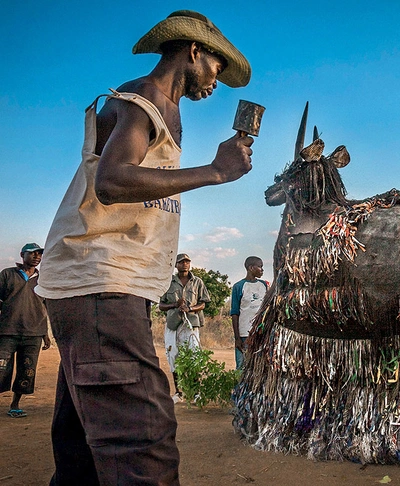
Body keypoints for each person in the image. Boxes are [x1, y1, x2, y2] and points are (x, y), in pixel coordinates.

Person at [35, 10, 253, 485]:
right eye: (217, 68)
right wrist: (215, 172)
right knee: (142, 440)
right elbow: (113, 180)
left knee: (84, 455)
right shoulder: (141, 101)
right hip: (101, 281)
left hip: (98, 288)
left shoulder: (160, 107)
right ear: (195, 51)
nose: (217, 82)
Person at [0, 243, 51, 418]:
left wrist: (46, 335)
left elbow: (45, 307)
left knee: (27, 370)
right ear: (22, 255)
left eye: (39, 254)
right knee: (1, 368)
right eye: (33, 253)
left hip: (34, 333)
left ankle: (15, 405)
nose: (37, 256)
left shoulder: (42, 279)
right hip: (7, 330)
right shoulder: (7, 274)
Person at [159, 253, 210, 402]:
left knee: (193, 356)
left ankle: (195, 392)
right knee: (173, 356)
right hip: (173, 325)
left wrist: (191, 309)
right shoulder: (168, 282)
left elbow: (203, 303)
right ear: (176, 265)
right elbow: (161, 305)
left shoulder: (197, 282)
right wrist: (175, 305)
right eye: (181, 262)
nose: (185, 264)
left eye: (187, 261)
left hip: (191, 324)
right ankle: (178, 393)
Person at [230, 256, 268, 369]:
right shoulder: (239, 286)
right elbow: (235, 313)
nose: (262, 270)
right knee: (242, 367)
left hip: (261, 333)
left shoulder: (264, 285)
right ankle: (239, 387)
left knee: (259, 366)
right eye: (260, 267)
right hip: (244, 334)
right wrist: (237, 338)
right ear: (251, 268)